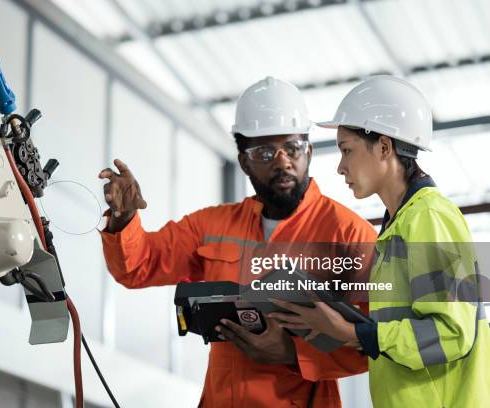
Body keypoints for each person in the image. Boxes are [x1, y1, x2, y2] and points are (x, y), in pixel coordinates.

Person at [99, 77, 377, 407]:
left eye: (293, 148)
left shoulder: (349, 235)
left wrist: (291, 353)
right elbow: (138, 266)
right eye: (264, 152)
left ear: (309, 152)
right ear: (244, 161)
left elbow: (376, 343)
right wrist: (124, 219)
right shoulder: (212, 225)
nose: (282, 162)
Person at [270, 75, 490, 407]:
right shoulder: (397, 228)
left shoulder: (427, 217)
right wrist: (342, 327)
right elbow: (405, 334)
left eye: (347, 150)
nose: (341, 167)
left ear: (384, 147)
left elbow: (450, 334)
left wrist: (353, 332)